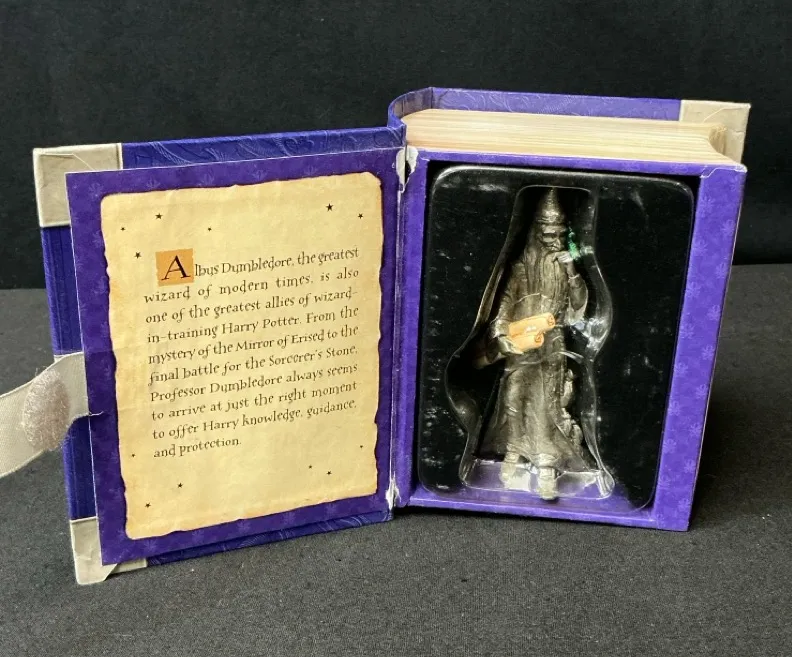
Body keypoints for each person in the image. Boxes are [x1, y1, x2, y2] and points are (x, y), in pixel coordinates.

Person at [477, 188, 592, 500]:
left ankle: (545, 465)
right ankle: (513, 450)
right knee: (513, 400)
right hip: (521, 343)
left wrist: (571, 271)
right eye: (548, 234)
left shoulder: (565, 266)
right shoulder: (520, 267)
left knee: (545, 405)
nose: (554, 240)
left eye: (559, 234)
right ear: (537, 232)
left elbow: (579, 305)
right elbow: (504, 304)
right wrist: (502, 335)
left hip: (551, 346)